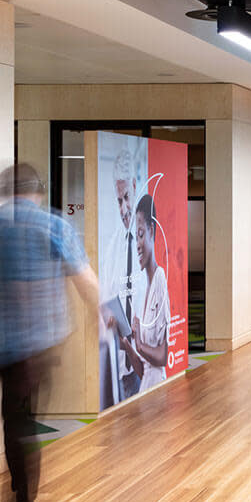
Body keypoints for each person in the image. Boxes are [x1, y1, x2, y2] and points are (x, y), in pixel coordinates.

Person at [0, 163, 99, 502]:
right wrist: (102, 314)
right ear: (38, 191)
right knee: (23, 422)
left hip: (1, 345)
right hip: (41, 345)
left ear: (1, 193)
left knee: (17, 418)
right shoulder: (53, 225)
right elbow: (85, 279)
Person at [100, 146, 146, 402]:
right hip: (121, 363)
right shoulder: (112, 248)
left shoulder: (147, 239)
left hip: (144, 357)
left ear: (135, 186)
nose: (124, 207)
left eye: (127, 196)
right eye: (119, 200)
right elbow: (106, 297)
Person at [118, 194, 169, 393]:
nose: (137, 243)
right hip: (145, 391)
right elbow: (143, 370)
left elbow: (162, 357)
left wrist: (138, 344)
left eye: (141, 234)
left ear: (152, 231)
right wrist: (127, 346)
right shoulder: (142, 288)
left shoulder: (160, 279)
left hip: (158, 390)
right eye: (135, 237)